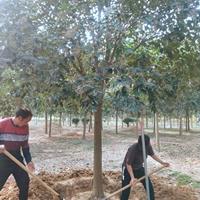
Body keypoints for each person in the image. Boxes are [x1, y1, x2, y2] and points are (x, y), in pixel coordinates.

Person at [121, 134, 170, 200]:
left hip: (139, 168)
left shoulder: (148, 146)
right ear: (140, 144)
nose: (147, 146)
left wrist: (162, 162)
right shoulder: (133, 149)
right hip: (127, 170)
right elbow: (128, 164)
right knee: (125, 189)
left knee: (149, 186)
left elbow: (153, 155)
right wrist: (132, 178)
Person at [0, 108, 35, 200]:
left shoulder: (25, 128)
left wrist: (29, 161)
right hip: (3, 159)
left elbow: (25, 146)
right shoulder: (2, 124)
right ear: (20, 118)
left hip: (17, 158)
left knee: (24, 182)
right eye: (27, 121)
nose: (27, 123)